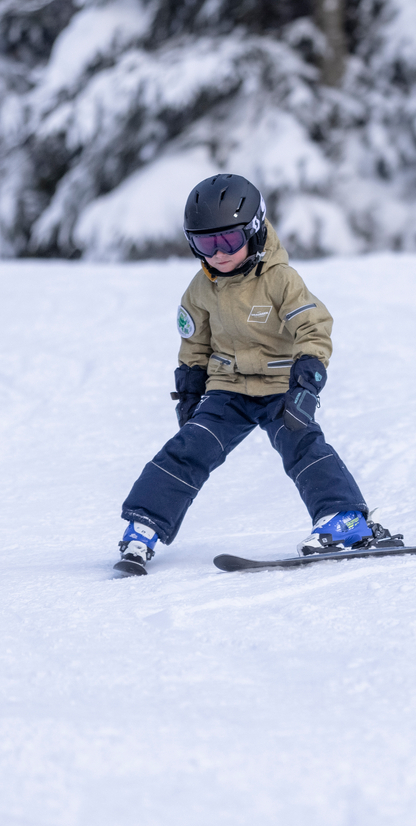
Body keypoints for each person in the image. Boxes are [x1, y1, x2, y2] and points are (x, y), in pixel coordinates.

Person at [114, 173, 390, 574]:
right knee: (188, 449)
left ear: (255, 231)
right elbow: (194, 345)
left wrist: (307, 384)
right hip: (229, 389)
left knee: (303, 446)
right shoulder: (200, 289)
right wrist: (191, 394)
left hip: (282, 387)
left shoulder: (281, 280)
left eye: (228, 240)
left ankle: (344, 518)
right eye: (205, 243)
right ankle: (144, 525)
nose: (218, 253)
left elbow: (313, 329)